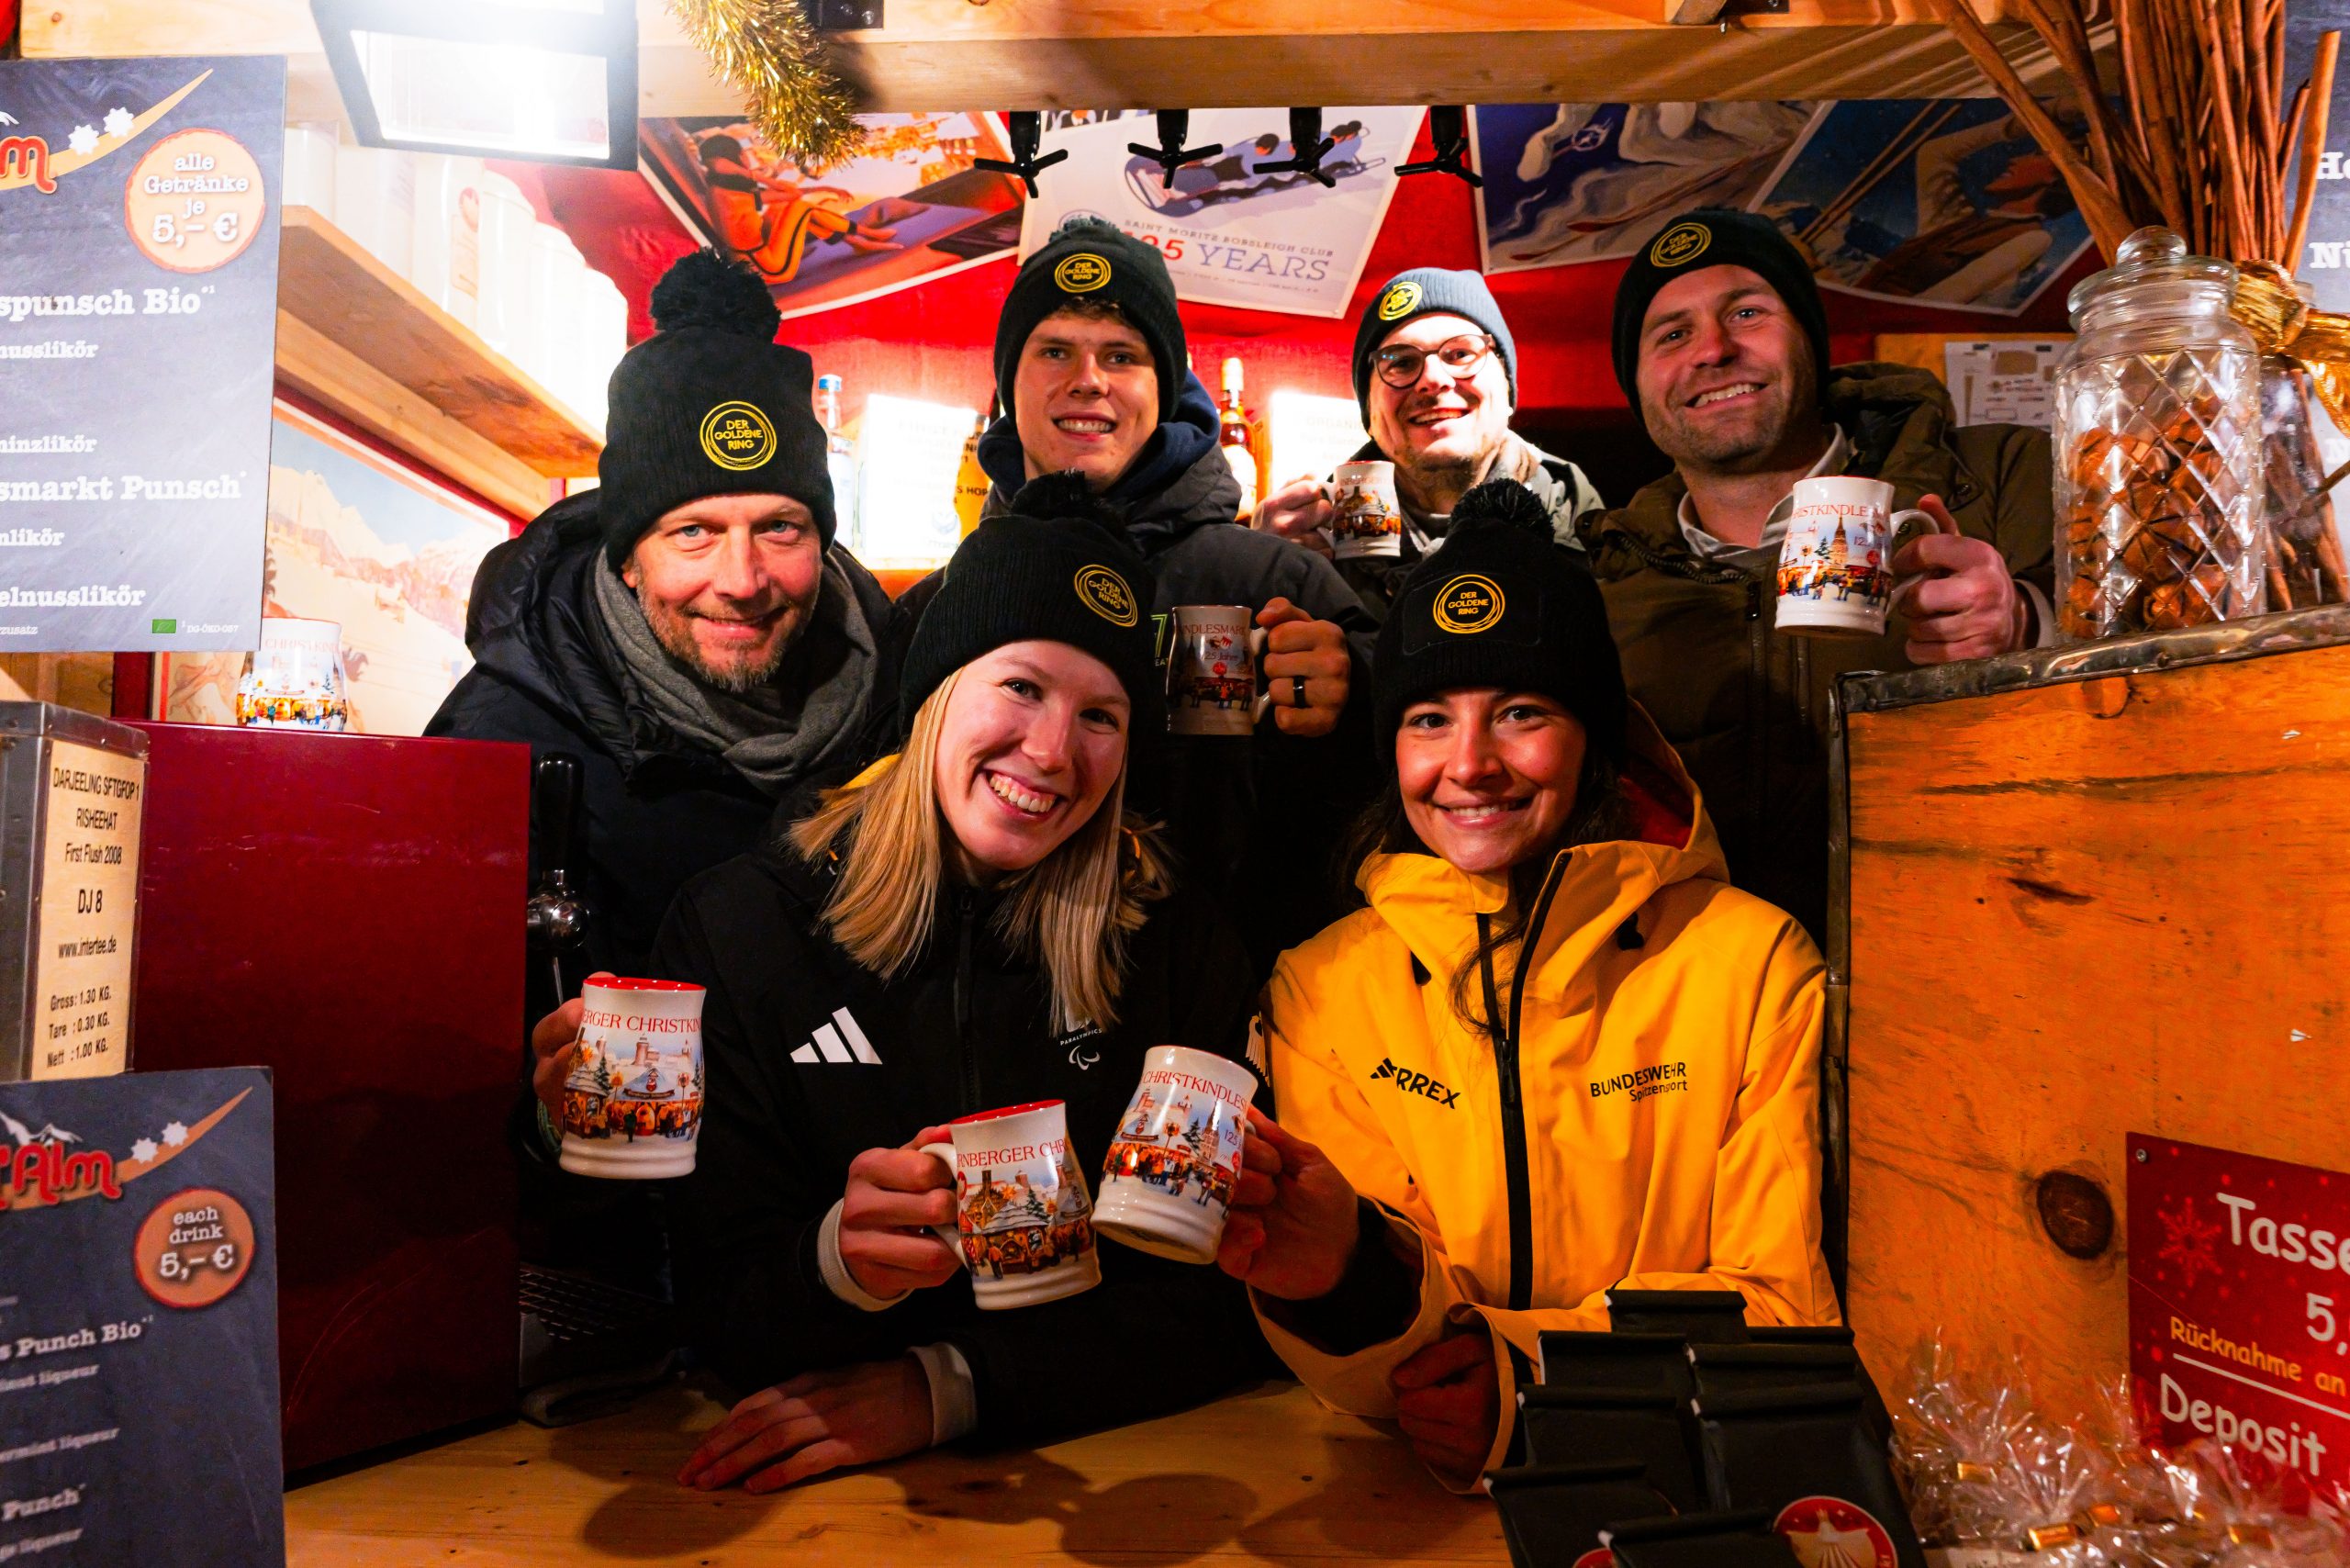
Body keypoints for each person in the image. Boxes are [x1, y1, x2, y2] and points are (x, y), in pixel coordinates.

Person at [530, 476, 1262, 1489]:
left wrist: (948, 1385)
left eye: (1102, 715)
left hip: (1117, 1478)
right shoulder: (743, 925)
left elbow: (1219, 1299)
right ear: (932, 697)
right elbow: (718, 1300)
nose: (1051, 752)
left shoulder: (1180, 943)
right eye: (1020, 687)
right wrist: (840, 1262)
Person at [1214, 479, 1840, 1490]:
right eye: (1427, 719)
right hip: (1402, 1494)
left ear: (1593, 734)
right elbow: (1383, 1353)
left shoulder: (1751, 962)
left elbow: (1778, 1305)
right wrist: (1341, 1278)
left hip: (1686, 1490)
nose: (1470, 764)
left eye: (1519, 712)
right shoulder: (1322, 983)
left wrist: (1538, 1390)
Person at [431, 251, 900, 1291]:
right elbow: (422, 1112)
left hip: (848, 1288)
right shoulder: (495, 742)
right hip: (606, 1297)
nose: (740, 581)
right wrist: (541, 1119)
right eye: (694, 531)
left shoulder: (904, 709)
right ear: (627, 550)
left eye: (779, 527)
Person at [902, 216, 1375, 965]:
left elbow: (1411, 792)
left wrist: (1361, 696)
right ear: (1005, 383)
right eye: (1053, 349)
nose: (1087, 378)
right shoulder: (942, 608)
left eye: (1121, 355)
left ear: (1166, 388)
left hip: (1240, 1009)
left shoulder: (1274, 584)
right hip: (1004, 1018)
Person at [1583, 207, 2055, 941]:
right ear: (1637, 387)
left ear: (1810, 339)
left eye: (1747, 312)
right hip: (1719, 1017)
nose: (1713, 350)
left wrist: (2028, 621)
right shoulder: (1599, 587)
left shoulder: (2006, 474)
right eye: (1672, 334)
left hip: (1982, 968)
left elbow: (2186, 651)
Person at [1252, 268, 1604, 621]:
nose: (1434, 380)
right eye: (1402, 363)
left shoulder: (1581, 514)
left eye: (1461, 354)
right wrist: (1259, 573)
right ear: (1370, 416)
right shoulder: (1311, 535)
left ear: (1508, 389)